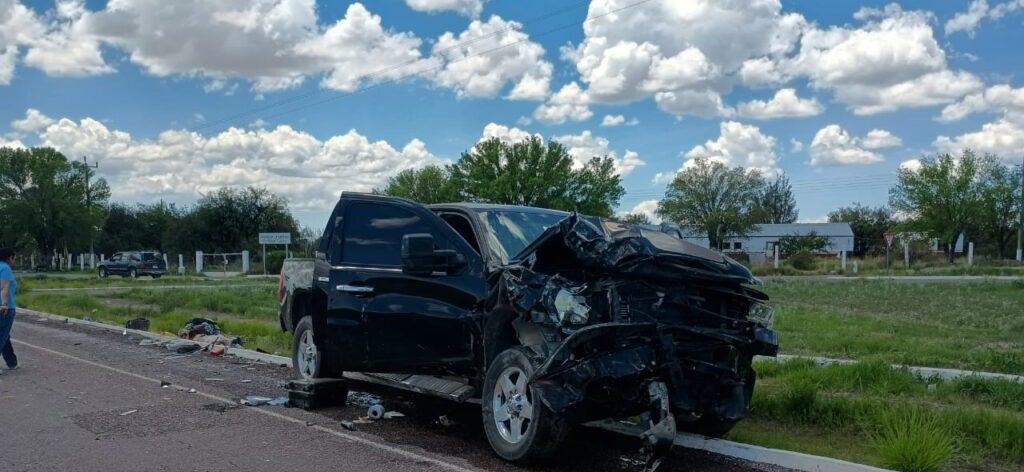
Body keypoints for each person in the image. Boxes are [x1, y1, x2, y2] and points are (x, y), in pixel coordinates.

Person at [0, 247, 19, 373]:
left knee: (4, 335)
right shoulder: (6, 269)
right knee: (2, 335)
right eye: (14, 258)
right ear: (10, 258)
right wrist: (5, 304)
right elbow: (4, 288)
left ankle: (12, 362)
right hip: (6, 308)